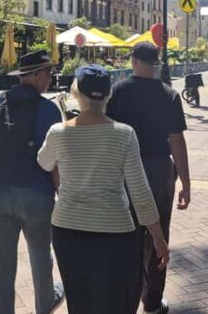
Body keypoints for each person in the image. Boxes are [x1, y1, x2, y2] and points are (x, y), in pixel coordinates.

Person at [38, 65, 169, 314]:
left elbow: (43, 162)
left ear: (76, 93)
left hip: (68, 229)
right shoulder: (124, 134)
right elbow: (140, 193)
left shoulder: (58, 133)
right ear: (108, 95)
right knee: (115, 301)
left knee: (79, 301)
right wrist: (158, 238)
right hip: (115, 232)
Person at [0, 50, 65, 314]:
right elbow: (55, 163)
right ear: (37, 75)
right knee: (40, 257)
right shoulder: (49, 110)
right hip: (37, 195)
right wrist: (62, 195)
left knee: (1, 264)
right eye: (48, 73)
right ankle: (44, 304)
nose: (50, 78)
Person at [106, 42, 190, 314]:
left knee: (128, 236)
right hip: (159, 172)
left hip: (126, 170)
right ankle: (152, 301)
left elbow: (108, 134)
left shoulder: (118, 91)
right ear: (156, 63)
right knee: (159, 235)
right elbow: (177, 142)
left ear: (133, 60)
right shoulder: (169, 95)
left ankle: (127, 298)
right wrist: (186, 183)